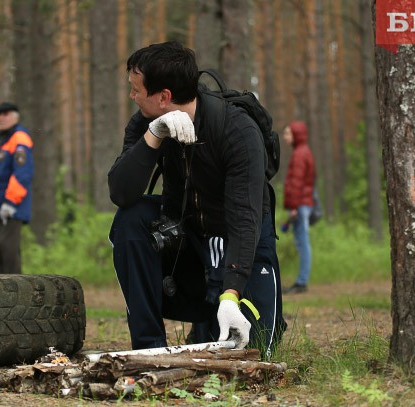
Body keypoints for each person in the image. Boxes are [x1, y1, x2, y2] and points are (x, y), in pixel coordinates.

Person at [108, 42, 286, 353]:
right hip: (188, 245)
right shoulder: (144, 123)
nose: (132, 97)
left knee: (254, 352)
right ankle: (149, 347)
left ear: (164, 96)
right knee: (131, 218)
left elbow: (246, 220)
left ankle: (219, 309)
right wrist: (154, 134)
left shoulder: (237, 130)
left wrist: (231, 294)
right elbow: (122, 193)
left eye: (136, 90)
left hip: (241, 242)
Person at [0, 102, 34, 274]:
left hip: (9, 209)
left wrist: (11, 202)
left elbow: (23, 173)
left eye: (5, 114)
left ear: (15, 116)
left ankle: (16, 297)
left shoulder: (19, 138)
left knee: (9, 257)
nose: (1, 117)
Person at [281, 121, 315, 294]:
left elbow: (297, 182)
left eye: (288, 133)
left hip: (300, 206)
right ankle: (301, 281)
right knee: (302, 243)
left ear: (296, 135)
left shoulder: (300, 154)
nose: (285, 137)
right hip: (301, 204)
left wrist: (294, 207)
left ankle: (301, 282)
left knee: (303, 244)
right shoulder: (302, 152)